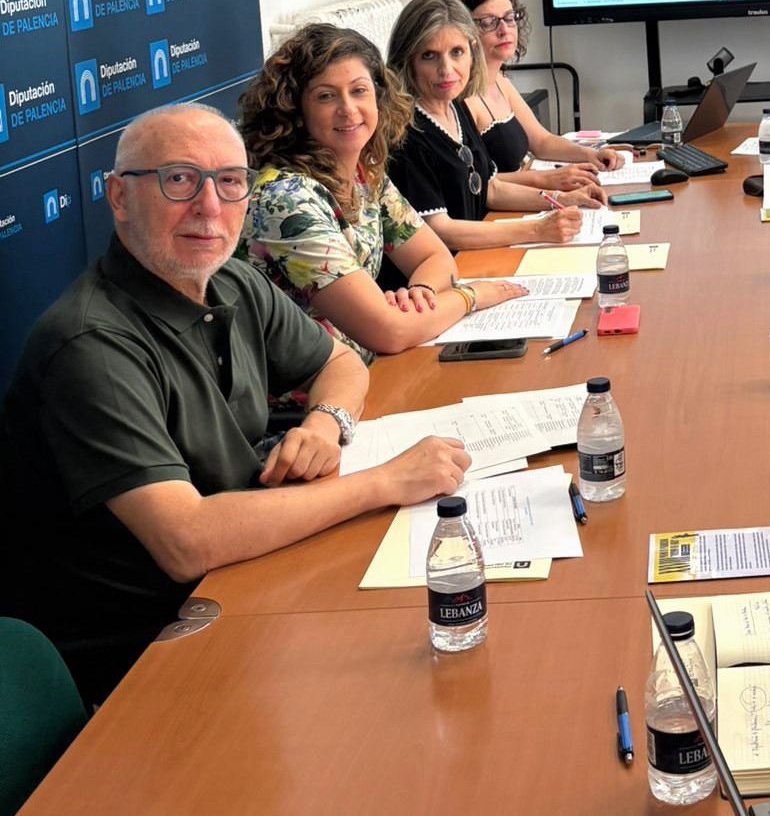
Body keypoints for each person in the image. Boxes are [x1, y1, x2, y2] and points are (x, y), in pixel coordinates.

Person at [0, 104, 473, 703]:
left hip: (243, 579)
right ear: (119, 196)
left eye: (229, 181)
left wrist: (326, 424)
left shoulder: (232, 282)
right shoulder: (89, 343)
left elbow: (341, 363)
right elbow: (186, 541)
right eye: (178, 179)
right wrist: (385, 482)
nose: (209, 206)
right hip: (143, 660)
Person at [238, 23, 554, 362]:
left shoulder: (365, 174)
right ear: (296, 111)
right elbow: (389, 332)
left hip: (365, 367)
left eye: (359, 91)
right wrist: (470, 296)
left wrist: (421, 295)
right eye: (326, 96)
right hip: (314, 387)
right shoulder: (287, 199)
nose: (348, 109)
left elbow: (435, 257)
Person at [385, 0, 602, 258]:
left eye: (457, 52)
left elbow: (491, 189)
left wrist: (559, 199)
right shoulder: (405, 133)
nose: (447, 69)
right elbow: (440, 231)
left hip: (476, 255)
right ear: (407, 61)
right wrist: (537, 229)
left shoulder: (455, 106)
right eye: (429, 56)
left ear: (472, 52)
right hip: (445, 270)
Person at [445, 0, 626, 186]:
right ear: (464, 32)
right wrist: (550, 179)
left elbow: (542, 141)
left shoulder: (500, 80)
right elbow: (476, 184)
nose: (504, 30)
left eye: (509, 18)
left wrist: (591, 155)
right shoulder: (460, 97)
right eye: (488, 22)